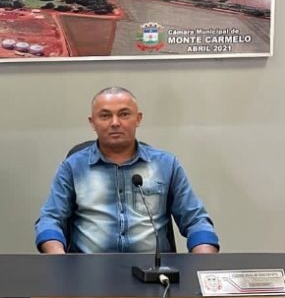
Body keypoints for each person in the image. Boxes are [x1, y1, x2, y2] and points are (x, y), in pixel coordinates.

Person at [35, 86, 219, 254]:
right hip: (89, 271)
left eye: (124, 114)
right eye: (105, 116)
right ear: (92, 122)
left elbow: (196, 221)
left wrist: (203, 262)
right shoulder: (73, 167)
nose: (115, 123)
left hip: (153, 271)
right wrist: (59, 260)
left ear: (138, 118)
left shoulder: (166, 165)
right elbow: (50, 220)